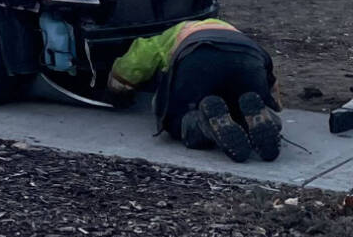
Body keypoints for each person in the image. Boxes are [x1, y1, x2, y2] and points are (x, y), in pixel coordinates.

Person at [107, 18, 282, 162]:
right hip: (249, 58)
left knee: (176, 121)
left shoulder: (174, 33)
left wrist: (117, 87)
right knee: (240, 105)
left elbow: (136, 61)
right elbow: (271, 84)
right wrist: (273, 103)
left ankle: (201, 125)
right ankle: (263, 119)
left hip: (197, 57)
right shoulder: (235, 32)